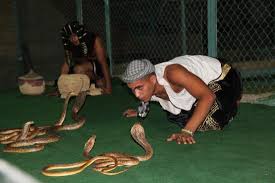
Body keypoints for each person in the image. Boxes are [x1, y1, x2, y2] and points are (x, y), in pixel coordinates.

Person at [121, 55, 242, 145]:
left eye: (139, 88)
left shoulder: (173, 73)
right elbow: (146, 97)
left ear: (153, 79)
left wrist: (187, 131)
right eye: (132, 90)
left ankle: (233, 100)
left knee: (213, 119)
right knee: (181, 118)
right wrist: (140, 112)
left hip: (223, 75)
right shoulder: (149, 84)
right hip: (201, 85)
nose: (137, 95)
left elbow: (208, 96)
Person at [59, 21, 112, 94]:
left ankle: (99, 79)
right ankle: (95, 81)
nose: (73, 39)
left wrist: (109, 88)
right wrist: (61, 86)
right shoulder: (70, 45)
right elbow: (66, 65)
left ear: (79, 33)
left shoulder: (94, 39)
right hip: (84, 66)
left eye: (74, 35)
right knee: (75, 73)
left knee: (78, 69)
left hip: (99, 66)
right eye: (70, 37)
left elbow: (103, 63)